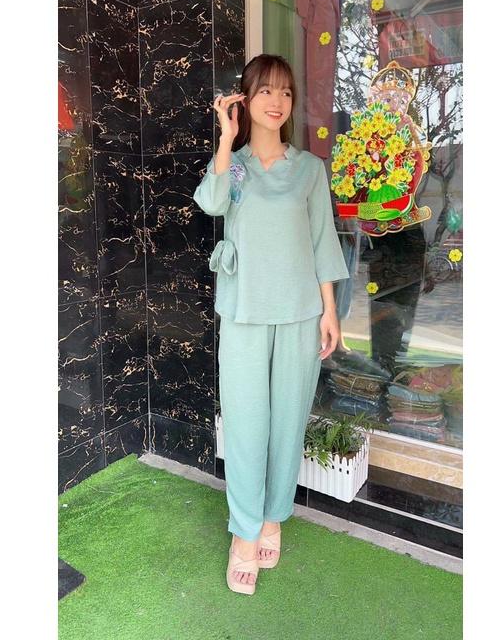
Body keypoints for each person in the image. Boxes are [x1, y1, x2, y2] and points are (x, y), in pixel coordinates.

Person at [192, 54, 349, 595]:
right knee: (245, 423)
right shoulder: (233, 166)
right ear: (245, 97)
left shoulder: (309, 170)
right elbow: (211, 203)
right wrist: (225, 137)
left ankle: (273, 517)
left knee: (287, 421)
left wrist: (330, 310)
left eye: (284, 92)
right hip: (243, 312)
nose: (276, 101)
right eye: (265, 91)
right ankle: (243, 531)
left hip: (301, 313)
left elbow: (322, 241)